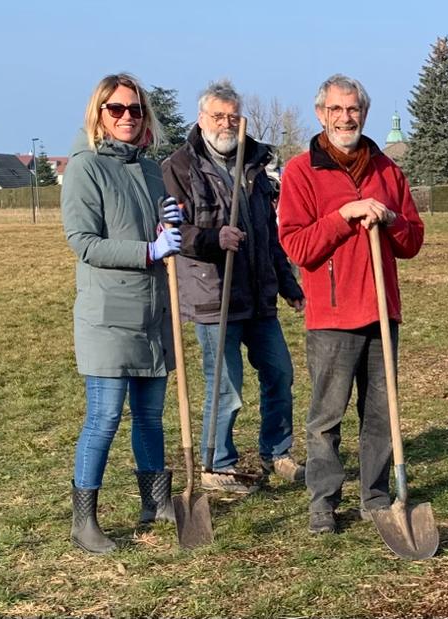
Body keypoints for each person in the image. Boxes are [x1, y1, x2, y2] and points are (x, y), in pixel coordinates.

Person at [278, 74, 425, 534]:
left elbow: (413, 240)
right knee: (326, 416)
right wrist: (343, 217)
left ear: (364, 112)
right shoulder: (302, 172)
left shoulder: (388, 171)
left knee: (381, 414)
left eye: (354, 109)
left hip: (382, 312)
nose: (346, 118)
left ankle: (377, 496)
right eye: (336, 110)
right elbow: (297, 246)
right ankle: (323, 502)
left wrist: (390, 217)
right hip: (333, 316)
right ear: (321, 114)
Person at [162, 79, 306, 494]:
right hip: (214, 296)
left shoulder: (255, 164)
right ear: (201, 118)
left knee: (280, 372)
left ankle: (277, 453)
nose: (226, 124)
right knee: (226, 387)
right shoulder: (180, 166)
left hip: (259, 296)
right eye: (217, 116)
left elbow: (268, 231)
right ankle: (217, 464)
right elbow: (174, 230)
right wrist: (212, 238)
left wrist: (287, 283)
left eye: (233, 117)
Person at [62, 73, 183, 554]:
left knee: (150, 417)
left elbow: (157, 229)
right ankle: (83, 522)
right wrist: (149, 250)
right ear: (99, 114)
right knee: (104, 417)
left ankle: (156, 503)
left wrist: (170, 222)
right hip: (108, 315)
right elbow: (83, 242)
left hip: (153, 313)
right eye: (116, 109)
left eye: (135, 109)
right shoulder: (85, 168)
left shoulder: (152, 169)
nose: (127, 116)